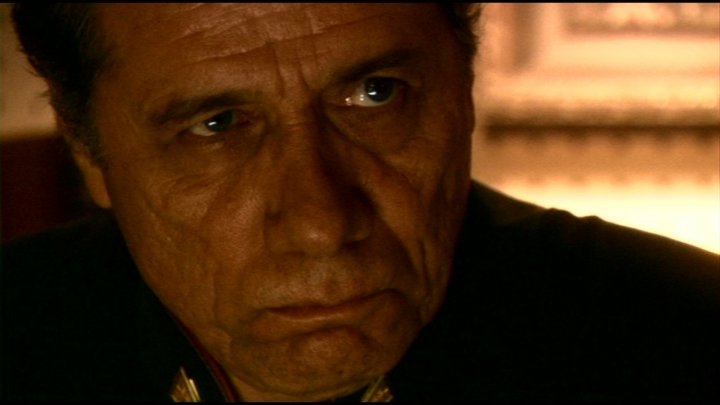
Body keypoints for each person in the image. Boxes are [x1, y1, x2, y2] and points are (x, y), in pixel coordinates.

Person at [2, 3, 718, 402]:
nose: (322, 224)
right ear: (89, 151)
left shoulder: (687, 340)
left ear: (465, 90)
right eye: (216, 126)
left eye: (376, 95)